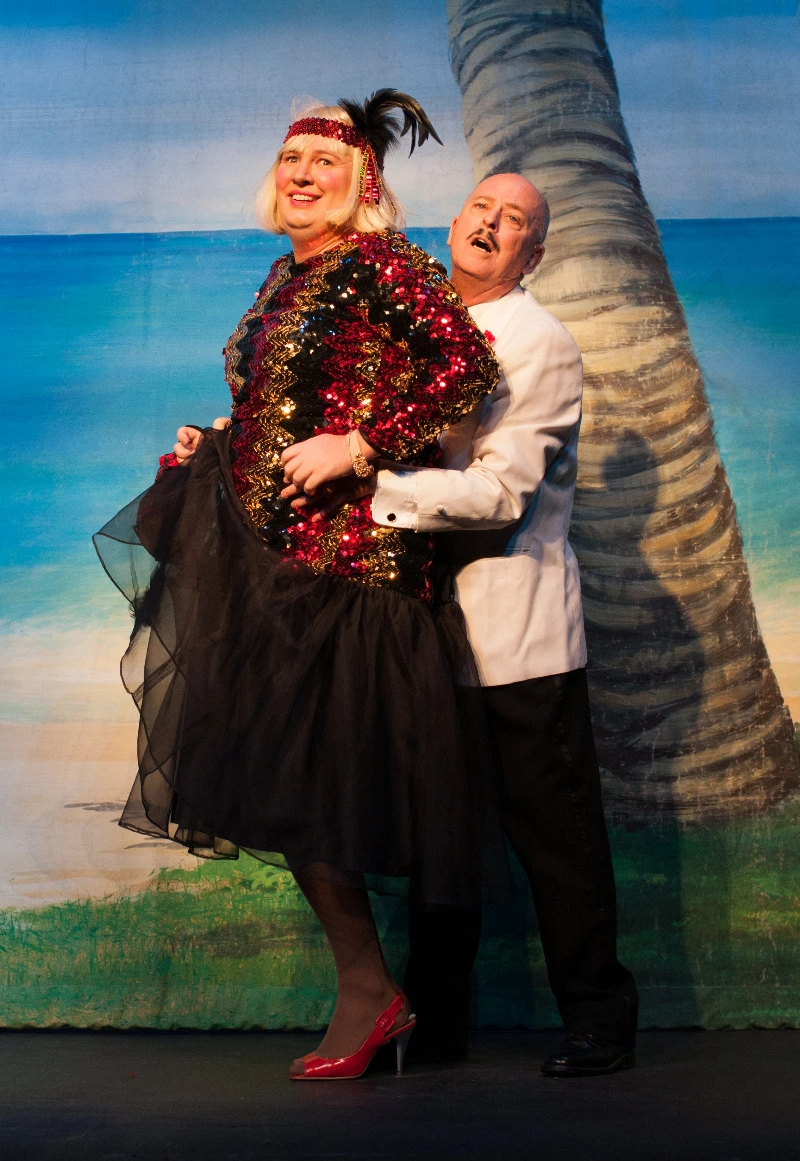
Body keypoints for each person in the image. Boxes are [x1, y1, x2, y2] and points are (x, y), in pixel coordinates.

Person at [93, 92, 506, 1082]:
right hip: (273, 562)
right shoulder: (287, 276)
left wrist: (359, 445)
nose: (303, 175)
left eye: (326, 162)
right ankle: (370, 988)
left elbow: (464, 368)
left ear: (364, 184)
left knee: (318, 786)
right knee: (288, 784)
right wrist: (219, 437)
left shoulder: (379, 263)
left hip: (349, 568)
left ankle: (372, 992)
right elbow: (289, 403)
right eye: (292, 160)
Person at [286, 173, 639, 1077]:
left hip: (516, 635)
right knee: (441, 834)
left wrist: (365, 480)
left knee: (554, 837)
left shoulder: (539, 342)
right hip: (419, 632)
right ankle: (433, 1026)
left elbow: (500, 494)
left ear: (534, 254)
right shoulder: (413, 324)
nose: (492, 224)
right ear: (453, 223)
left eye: (514, 221)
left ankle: (599, 1021)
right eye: (483, 208)